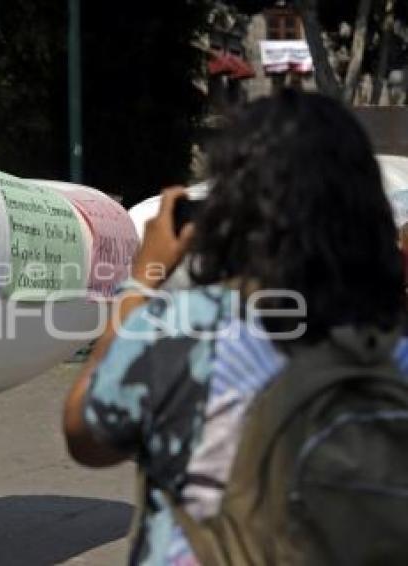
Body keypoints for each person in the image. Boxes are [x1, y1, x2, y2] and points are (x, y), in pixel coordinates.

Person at [63, 90, 406, 565]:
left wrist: (142, 280)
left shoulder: (187, 328)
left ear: (229, 212)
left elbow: (85, 434)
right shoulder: (396, 347)